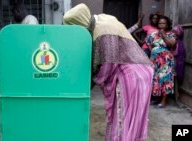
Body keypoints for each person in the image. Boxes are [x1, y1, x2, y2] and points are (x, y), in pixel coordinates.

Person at [63, 4, 154, 141]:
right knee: (134, 118)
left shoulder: (102, 31)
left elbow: (108, 64)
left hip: (130, 74)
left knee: (122, 118)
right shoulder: (104, 18)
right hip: (143, 71)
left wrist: (93, 81)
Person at [146, 16, 176, 108]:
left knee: (166, 79)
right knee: (155, 79)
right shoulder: (153, 34)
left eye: (163, 23)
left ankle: (164, 100)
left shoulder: (171, 34)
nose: (161, 25)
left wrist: (164, 36)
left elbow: (172, 44)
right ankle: (156, 98)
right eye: (160, 23)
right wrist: (154, 53)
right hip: (155, 61)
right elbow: (149, 44)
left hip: (166, 61)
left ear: (167, 25)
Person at [172, 25, 185, 104]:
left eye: (175, 32)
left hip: (175, 63)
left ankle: (177, 98)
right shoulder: (172, 39)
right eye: (173, 31)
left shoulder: (178, 42)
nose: (174, 33)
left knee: (175, 80)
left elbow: (176, 53)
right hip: (169, 62)